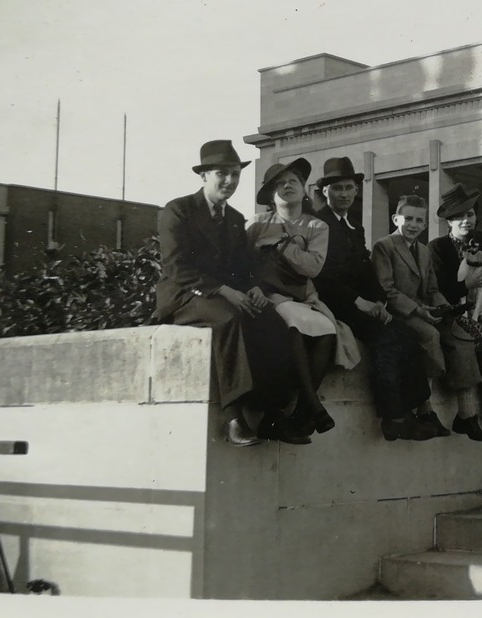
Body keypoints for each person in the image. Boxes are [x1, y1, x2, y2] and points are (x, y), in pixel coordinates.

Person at [152, 140, 305, 447]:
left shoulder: (234, 219)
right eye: (222, 174)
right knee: (228, 319)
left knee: (271, 321)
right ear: (203, 176)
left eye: (235, 174)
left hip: (223, 294)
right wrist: (224, 291)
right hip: (184, 297)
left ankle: (273, 415)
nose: (230, 181)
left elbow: (242, 268)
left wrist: (253, 289)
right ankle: (235, 419)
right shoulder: (178, 210)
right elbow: (175, 267)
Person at [311, 157, 438, 442]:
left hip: (361, 304)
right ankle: (394, 418)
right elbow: (322, 276)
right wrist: (359, 302)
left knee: (406, 334)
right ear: (324, 192)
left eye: (349, 187)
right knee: (387, 339)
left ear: (356, 190)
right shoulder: (318, 224)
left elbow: (366, 271)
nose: (344, 193)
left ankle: (416, 413)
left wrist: (379, 302)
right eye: (337, 188)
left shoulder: (355, 226)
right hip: (333, 304)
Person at [372, 194, 482, 438]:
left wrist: (446, 309)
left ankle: (467, 415)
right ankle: (425, 409)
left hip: (425, 309)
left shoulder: (423, 251)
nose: (413, 225)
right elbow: (387, 290)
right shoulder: (385, 246)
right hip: (399, 313)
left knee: (461, 334)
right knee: (430, 336)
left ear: (425, 224)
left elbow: (432, 290)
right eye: (408, 218)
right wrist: (419, 310)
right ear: (395, 218)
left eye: (419, 220)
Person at [247, 158, 340, 436]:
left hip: (304, 298)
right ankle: (314, 407)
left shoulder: (317, 227)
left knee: (327, 330)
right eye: (279, 184)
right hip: (271, 296)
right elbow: (241, 264)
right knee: (293, 324)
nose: (287, 186)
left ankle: (302, 411)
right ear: (271, 195)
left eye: (293, 182)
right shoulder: (256, 225)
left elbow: (313, 267)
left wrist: (283, 246)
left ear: (303, 190)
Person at [427, 185, 482, 440]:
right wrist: (467, 284)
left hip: (473, 312)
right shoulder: (437, 248)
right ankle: (467, 416)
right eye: (460, 216)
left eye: (469, 214)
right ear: (449, 221)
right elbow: (435, 288)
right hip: (444, 311)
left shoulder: (479, 246)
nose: (467, 220)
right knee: (462, 342)